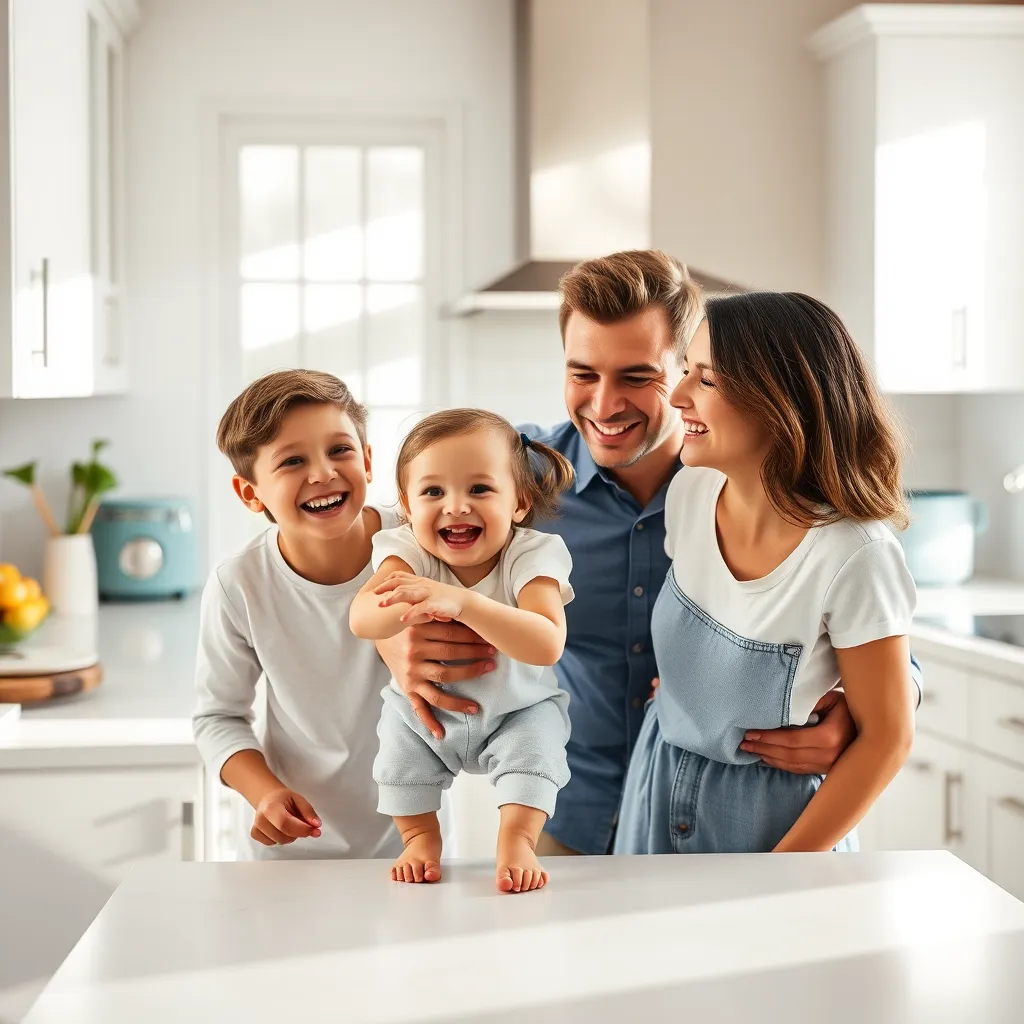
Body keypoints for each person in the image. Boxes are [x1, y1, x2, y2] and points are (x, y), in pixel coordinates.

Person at [377, 250, 924, 855]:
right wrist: (391, 639)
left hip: (750, 817)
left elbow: (868, 643)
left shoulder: (721, 481)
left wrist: (853, 709)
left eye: (639, 378)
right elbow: (386, 538)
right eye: (583, 374)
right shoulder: (510, 485)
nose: (605, 405)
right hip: (566, 808)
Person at [614, 291, 916, 854]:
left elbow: (888, 737)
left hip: (774, 826)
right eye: (687, 370)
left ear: (778, 400)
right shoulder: (691, 492)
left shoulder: (855, 555)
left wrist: (783, 870)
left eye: (705, 379)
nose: (677, 395)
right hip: (654, 786)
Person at [351, 409, 575, 892]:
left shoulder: (532, 553)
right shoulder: (406, 550)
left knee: (536, 750)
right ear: (407, 507)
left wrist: (463, 602)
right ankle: (419, 839)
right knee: (398, 752)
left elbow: (547, 641)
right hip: (427, 712)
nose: (455, 507)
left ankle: (517, 840)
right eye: (433, 492)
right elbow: (361, 617)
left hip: (518, 709)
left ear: (519, 503)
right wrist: (398, 609)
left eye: (479, 489)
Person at [192, 369, 401, 861]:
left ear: (368, 461)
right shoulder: (239, 585)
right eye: (291, 461)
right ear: (250, 493)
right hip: (293, 857)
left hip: (416, 848)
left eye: (340, 450)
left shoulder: (422, 547)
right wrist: (263, 792)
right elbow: (218, 717)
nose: (323, 473)